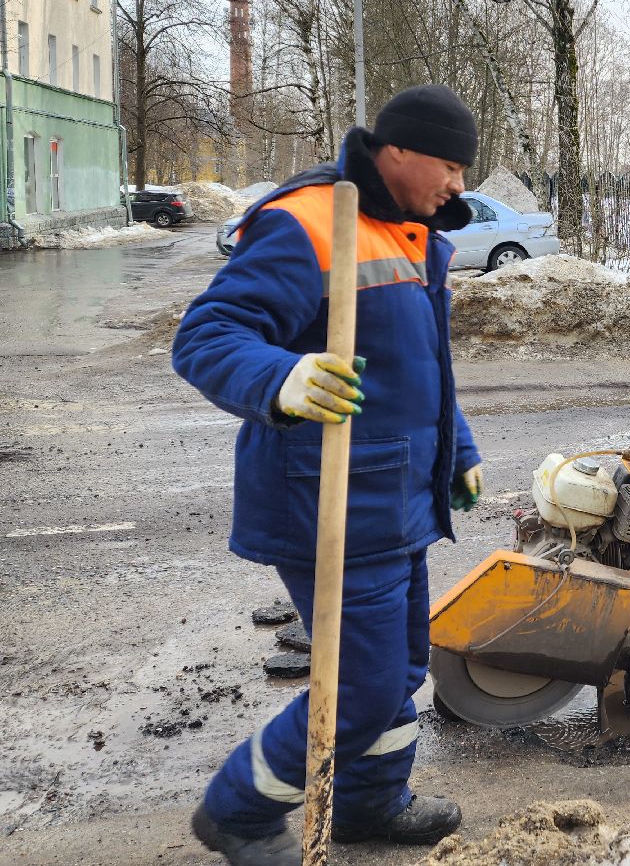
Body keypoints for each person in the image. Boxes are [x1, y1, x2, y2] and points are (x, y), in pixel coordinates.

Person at [173, 85, 486, 865]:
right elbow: (207, 336)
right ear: (397, 150)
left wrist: (458, 449)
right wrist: (282, 377)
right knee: (360, 686)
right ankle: (238, 812)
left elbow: (423, 370)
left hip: (396, 499)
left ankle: (370, 804)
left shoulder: (412, 233)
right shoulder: (311, 220)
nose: (458, 185)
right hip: (328, 501)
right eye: (449, 166)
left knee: (398, 670)